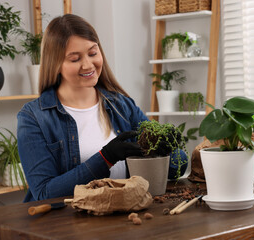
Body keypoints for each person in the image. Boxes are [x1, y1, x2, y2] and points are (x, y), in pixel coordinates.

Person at [17, 14, 186, 202]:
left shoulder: (121, 105)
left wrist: (166, 149)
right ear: (55, 64)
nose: (88, 65)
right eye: (74, 59)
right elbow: (44, 193)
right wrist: (105, 158)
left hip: (124, 218)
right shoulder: (33, 117)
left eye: (92, 53)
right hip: (66, 226)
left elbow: (178, 168)